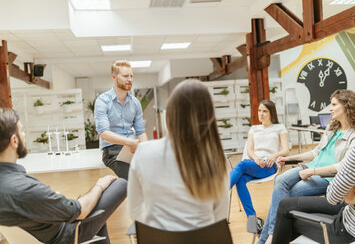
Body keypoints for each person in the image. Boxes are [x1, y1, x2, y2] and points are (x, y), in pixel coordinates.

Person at [0, 108, 127, 244]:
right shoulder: (23, 189)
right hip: (67, 235)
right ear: (14, 141)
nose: (24, 135)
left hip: (44, 229)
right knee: (120, 184)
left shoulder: (9, 183)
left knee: (98, 218)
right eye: (22, 131)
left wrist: (49, 199)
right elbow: (81, 211)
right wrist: (99, 185)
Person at [271, 78, 355, 244]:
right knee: (282, 183)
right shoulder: (333, 128)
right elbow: (316, 152)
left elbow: (333, 196)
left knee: (285, 208)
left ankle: (269, 236)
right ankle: (267, 234)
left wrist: (348, 192)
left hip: (353, 228)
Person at [127, 79, 229, 230]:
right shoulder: (215, 158)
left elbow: (134, 211)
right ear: (210, 116)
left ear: (170, 115)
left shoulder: (143, 152)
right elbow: (220, 218)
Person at [229, 100, 289, 232]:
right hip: (255, 163)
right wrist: (256, 158)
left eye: (264, 111)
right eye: (259, 111)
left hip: (269, 165)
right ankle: (252, 222)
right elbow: (250, 150)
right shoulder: (254, 129)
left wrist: (273, 156)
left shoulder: (279, 128)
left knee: (242, 165)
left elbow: (286, 150)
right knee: (240, 180)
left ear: (271, 113)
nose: (261, 114)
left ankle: (220, 192)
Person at [94, 60, 148, 179]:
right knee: (136, 178)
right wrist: (130, 142)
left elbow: (140, 131)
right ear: (114, 77)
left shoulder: (135, 103)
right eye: (125, 76)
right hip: (112, 151)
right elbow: (104, 134)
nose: (129, 79)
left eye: (131, 76)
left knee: (154, 173)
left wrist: (145, 150)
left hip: (132, 149)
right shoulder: (102, 101)